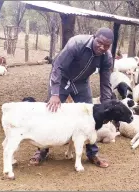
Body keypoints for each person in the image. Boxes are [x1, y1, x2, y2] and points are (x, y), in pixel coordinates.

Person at [29, 27, 114, 168]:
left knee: (91, 117)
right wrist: (55, 94)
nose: (102, 47)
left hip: (81, 84)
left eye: (107, 45)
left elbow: (106, 83)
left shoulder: (106, 57)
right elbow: (57, 66)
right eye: (100, 42)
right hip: (62, 80)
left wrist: (106, 105)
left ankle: (93, 154)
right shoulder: (76, 43)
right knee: (50, 113)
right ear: (94, 37)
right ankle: (42, 150)